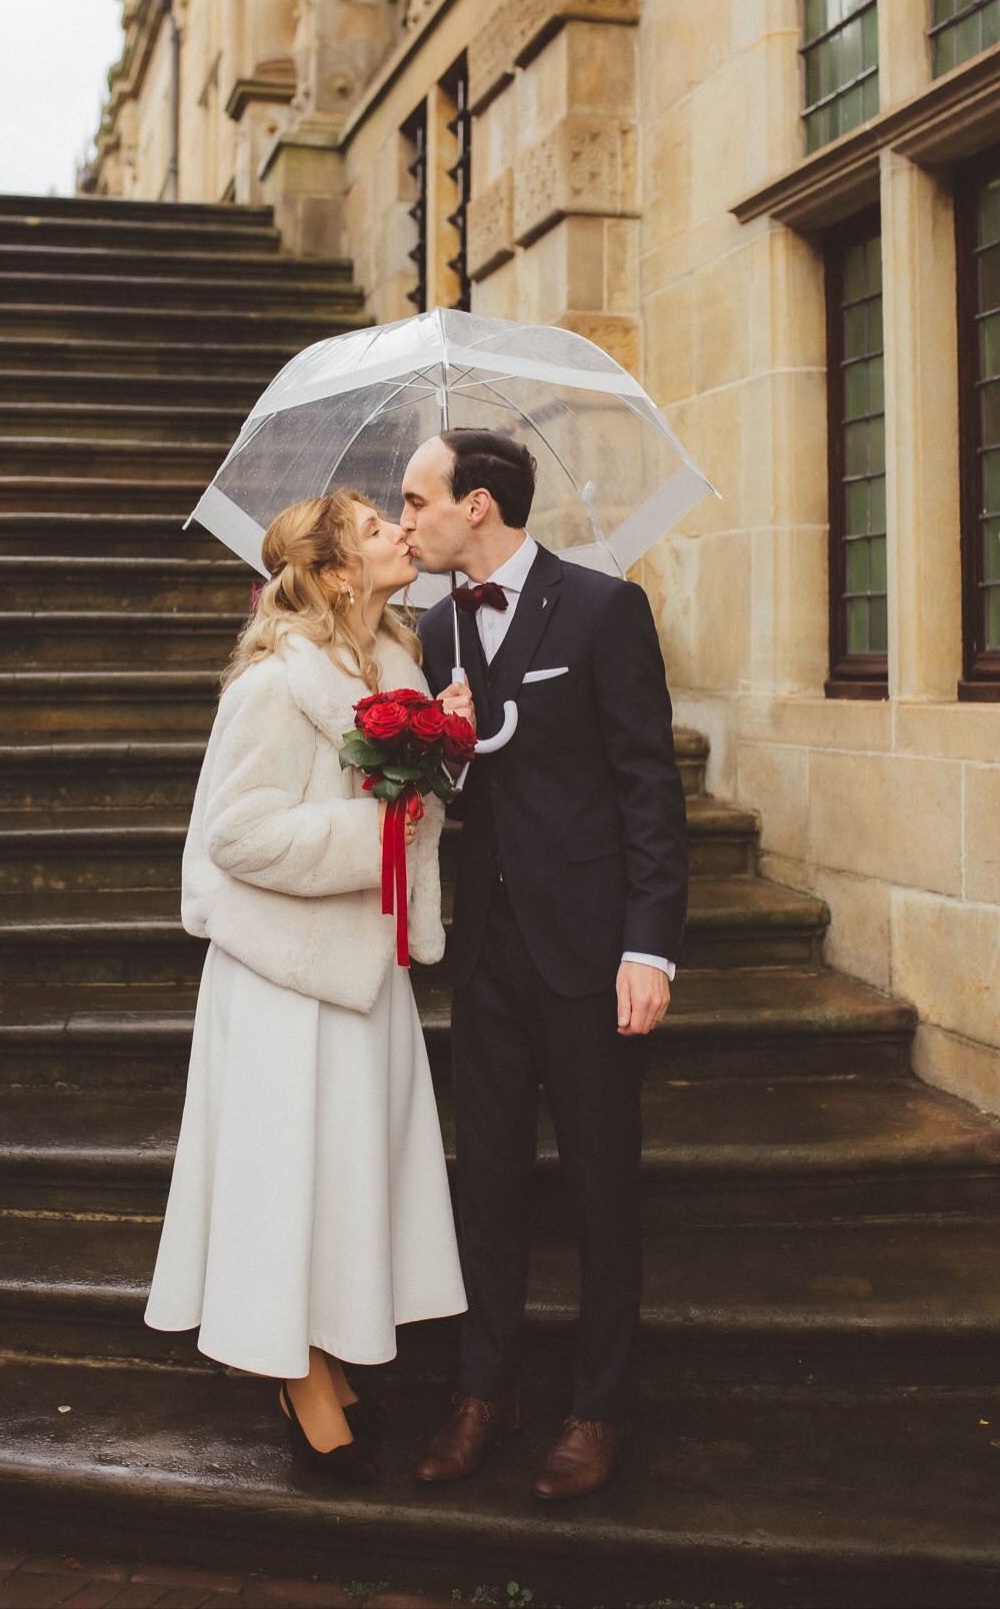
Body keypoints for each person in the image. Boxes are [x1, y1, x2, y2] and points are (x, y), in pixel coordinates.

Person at [143, 490, 471, 1484]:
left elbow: (409, 812)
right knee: (286, 1182)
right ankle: (299, 1370)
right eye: (376, 528)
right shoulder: (273, 683)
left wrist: (440, 747)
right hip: (284, 971)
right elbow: (233, 835)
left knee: (345, 1177)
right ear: (334, 573)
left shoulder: (404, 668)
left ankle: (327, 1343)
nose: (400, 533)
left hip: (366, 968)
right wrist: (373, 834)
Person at [400, 428, 689, 1502]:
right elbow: (441, 797)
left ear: (478, 504)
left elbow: (648, 786)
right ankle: (487, 1390)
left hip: (593, 951)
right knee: (489, 1185)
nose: (408, 517)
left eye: (419, 498)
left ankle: (602, 1406)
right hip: (485, 954)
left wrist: (649, 943)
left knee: (604, 1187)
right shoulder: (432, 631)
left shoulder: (605, 609)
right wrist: (446, 753)